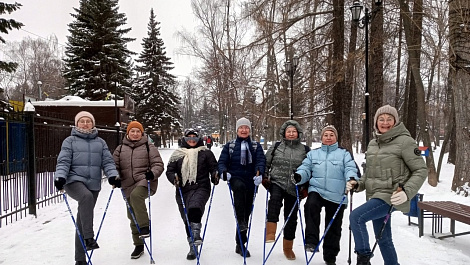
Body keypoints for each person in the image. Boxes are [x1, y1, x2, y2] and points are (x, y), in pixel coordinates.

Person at [347, 105, 427, 265]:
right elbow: (370, 174)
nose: (385, 122)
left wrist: (406, 192)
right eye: (381, 119)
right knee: (383, 238)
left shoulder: (406, 141)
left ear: (395, 121)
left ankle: (363, 259)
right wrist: (358, 184)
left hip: (392, 195)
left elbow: (421, 170)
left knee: (356, 217)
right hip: (375, 196)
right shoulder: (373, 144)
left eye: (389, 119)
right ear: (376, 122)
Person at [54, 111, 119, 265]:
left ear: (93, 124)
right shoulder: (69, 141)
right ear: (76, 124)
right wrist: (60, 177)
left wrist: (112, 176)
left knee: (82, 220)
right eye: (81, 121)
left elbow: (108, 162)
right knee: (86, 197)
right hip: (73, 181)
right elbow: (63, 161)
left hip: (93, 184)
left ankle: (80, 259)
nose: (85, 124)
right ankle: (89, 238)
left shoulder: (101, 142)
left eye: (88, 121)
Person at [293, 125, 359, 265]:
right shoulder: (313, 154)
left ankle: (330, 257)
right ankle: (311, 241)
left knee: (334, 226)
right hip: (317, 190)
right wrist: (300, 176)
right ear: (321, 137)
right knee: (311, 205)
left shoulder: (344, 154)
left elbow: (350, 168)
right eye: (326, 135)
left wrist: (352, 179)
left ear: (336, 137)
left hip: (336, 193)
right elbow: (305, 168)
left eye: (331, 135)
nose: (328, 138)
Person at [112, 121, 164, 260]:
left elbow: (158, 164)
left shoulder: (149, 146)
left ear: (142, 133)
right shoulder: (120, 148)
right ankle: (138, 245)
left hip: (145, 181)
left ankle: (144, 227)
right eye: (132, 131)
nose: (135, 134)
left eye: (138, 131)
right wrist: (114, 176)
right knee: (131, 215)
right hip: (127, 183)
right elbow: (113, 165)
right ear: (128, 133)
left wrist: (152, 173)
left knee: (136, 196)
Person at [166, 128, 219, 260]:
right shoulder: (177, 154)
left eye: (194, 137)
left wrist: (215, 175)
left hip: (201, 186)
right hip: (182, 189)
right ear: (184, 139)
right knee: (186, 218)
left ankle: (196, 235)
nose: (191, 139)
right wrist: (174, 177)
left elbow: (214, 167)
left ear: (198, 139)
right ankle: (192, 246)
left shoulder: (206, 153)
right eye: (189, 137)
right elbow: (170, 170)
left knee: (194, 207)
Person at [218, 117, 266, 258]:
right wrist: (223, 172)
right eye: (241, 128)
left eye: (246, 128)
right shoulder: (230, 146)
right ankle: (241, 222)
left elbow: (261, 161)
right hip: (236, 178)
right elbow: (222, 162)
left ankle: (240, 243)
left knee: (247, 210)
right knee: (239, 190)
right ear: (237, 130)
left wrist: (260, 173)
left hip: (251, 179)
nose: (244, 130)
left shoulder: (256, 146)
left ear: (249, 130)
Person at [263, 120, 310, 260]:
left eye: (293, 131)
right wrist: (265, 177)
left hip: (294, 186)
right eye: (288, 131)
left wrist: (305, 187)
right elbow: (266, 163)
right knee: (274, 202)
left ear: (298, 133)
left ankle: (288, 247)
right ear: (284, 133)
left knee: (291, 216)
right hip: (277, 181)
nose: (291, 133)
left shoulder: (305, 150)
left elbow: (310, 169)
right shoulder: (276, 146)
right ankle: (270, 233)